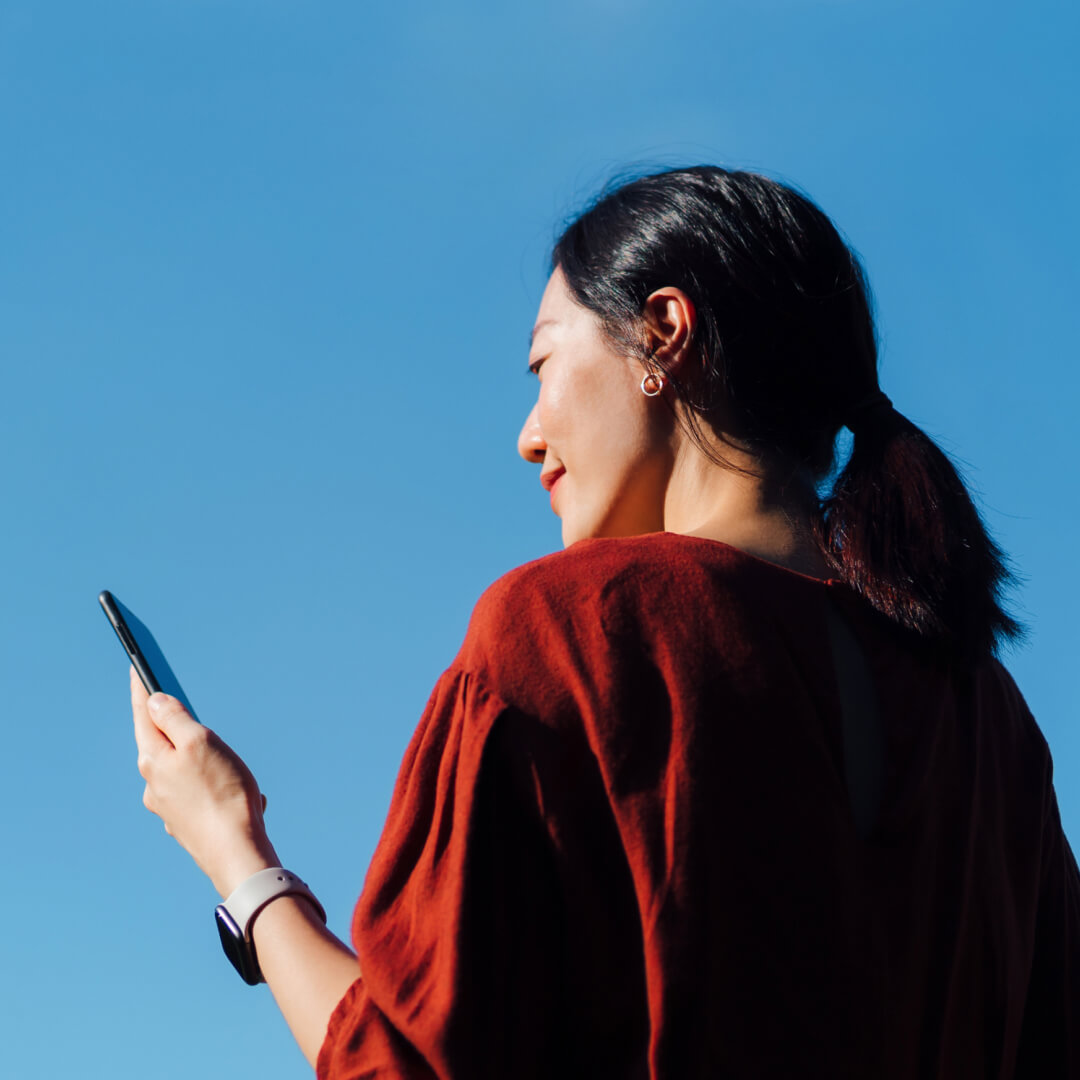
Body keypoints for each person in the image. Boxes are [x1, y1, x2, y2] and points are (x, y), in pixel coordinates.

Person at [130, 166, 1080, 1078]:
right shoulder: (991, 715)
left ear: (665, 332)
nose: (528, 433)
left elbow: (407, 1060)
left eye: (544, 363)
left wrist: (238, 856)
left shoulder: (566, 629)